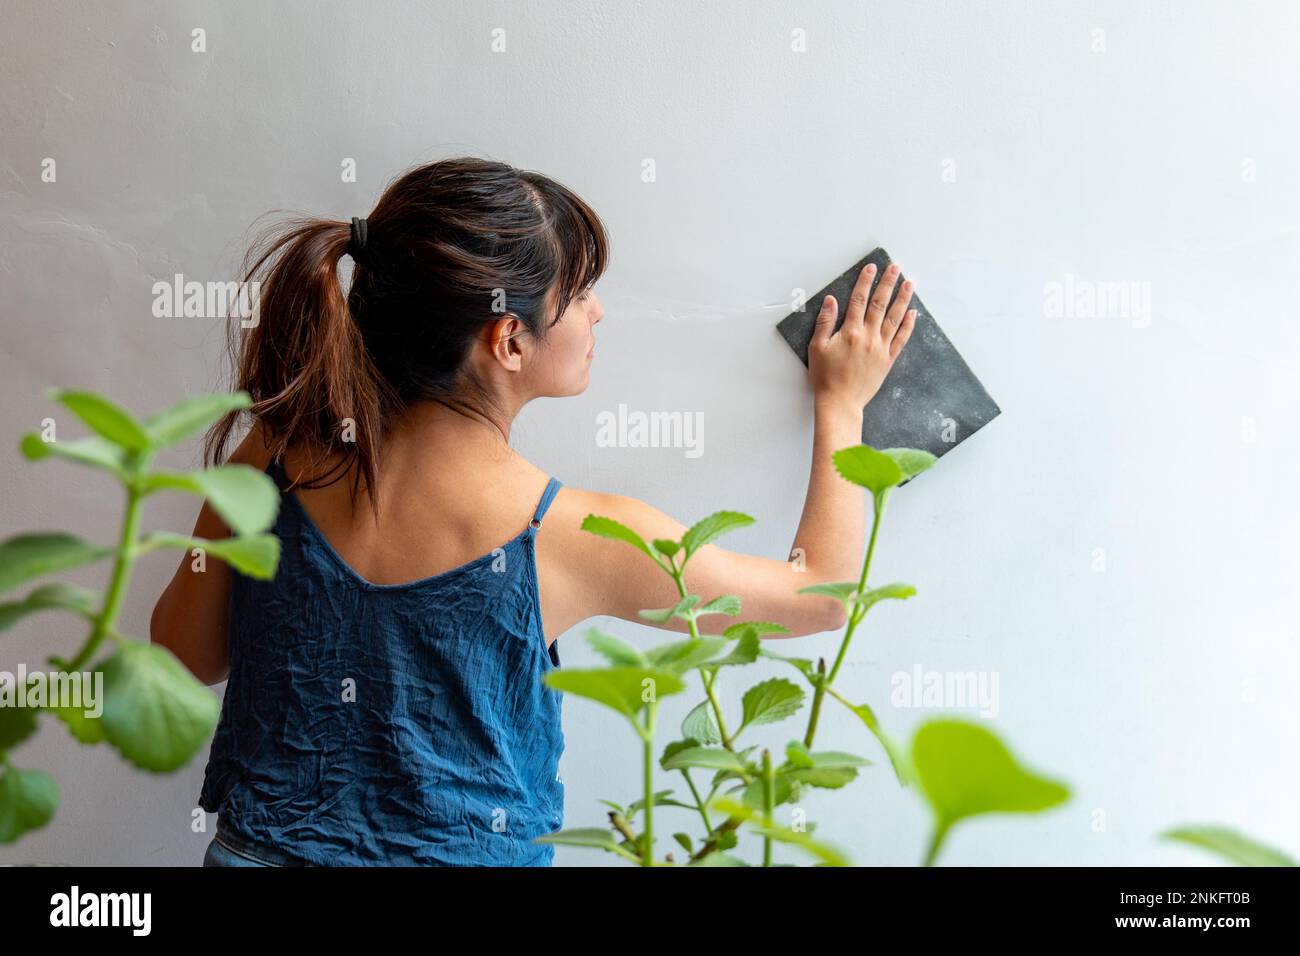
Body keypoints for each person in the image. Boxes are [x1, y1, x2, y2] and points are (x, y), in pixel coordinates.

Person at [150, 156, 917, 866]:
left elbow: (185, 655)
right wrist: (842, 403)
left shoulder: (274, 455)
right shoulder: (571, 535)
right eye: (580, 294)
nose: (598, 314)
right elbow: (818, 596)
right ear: (509, 340)